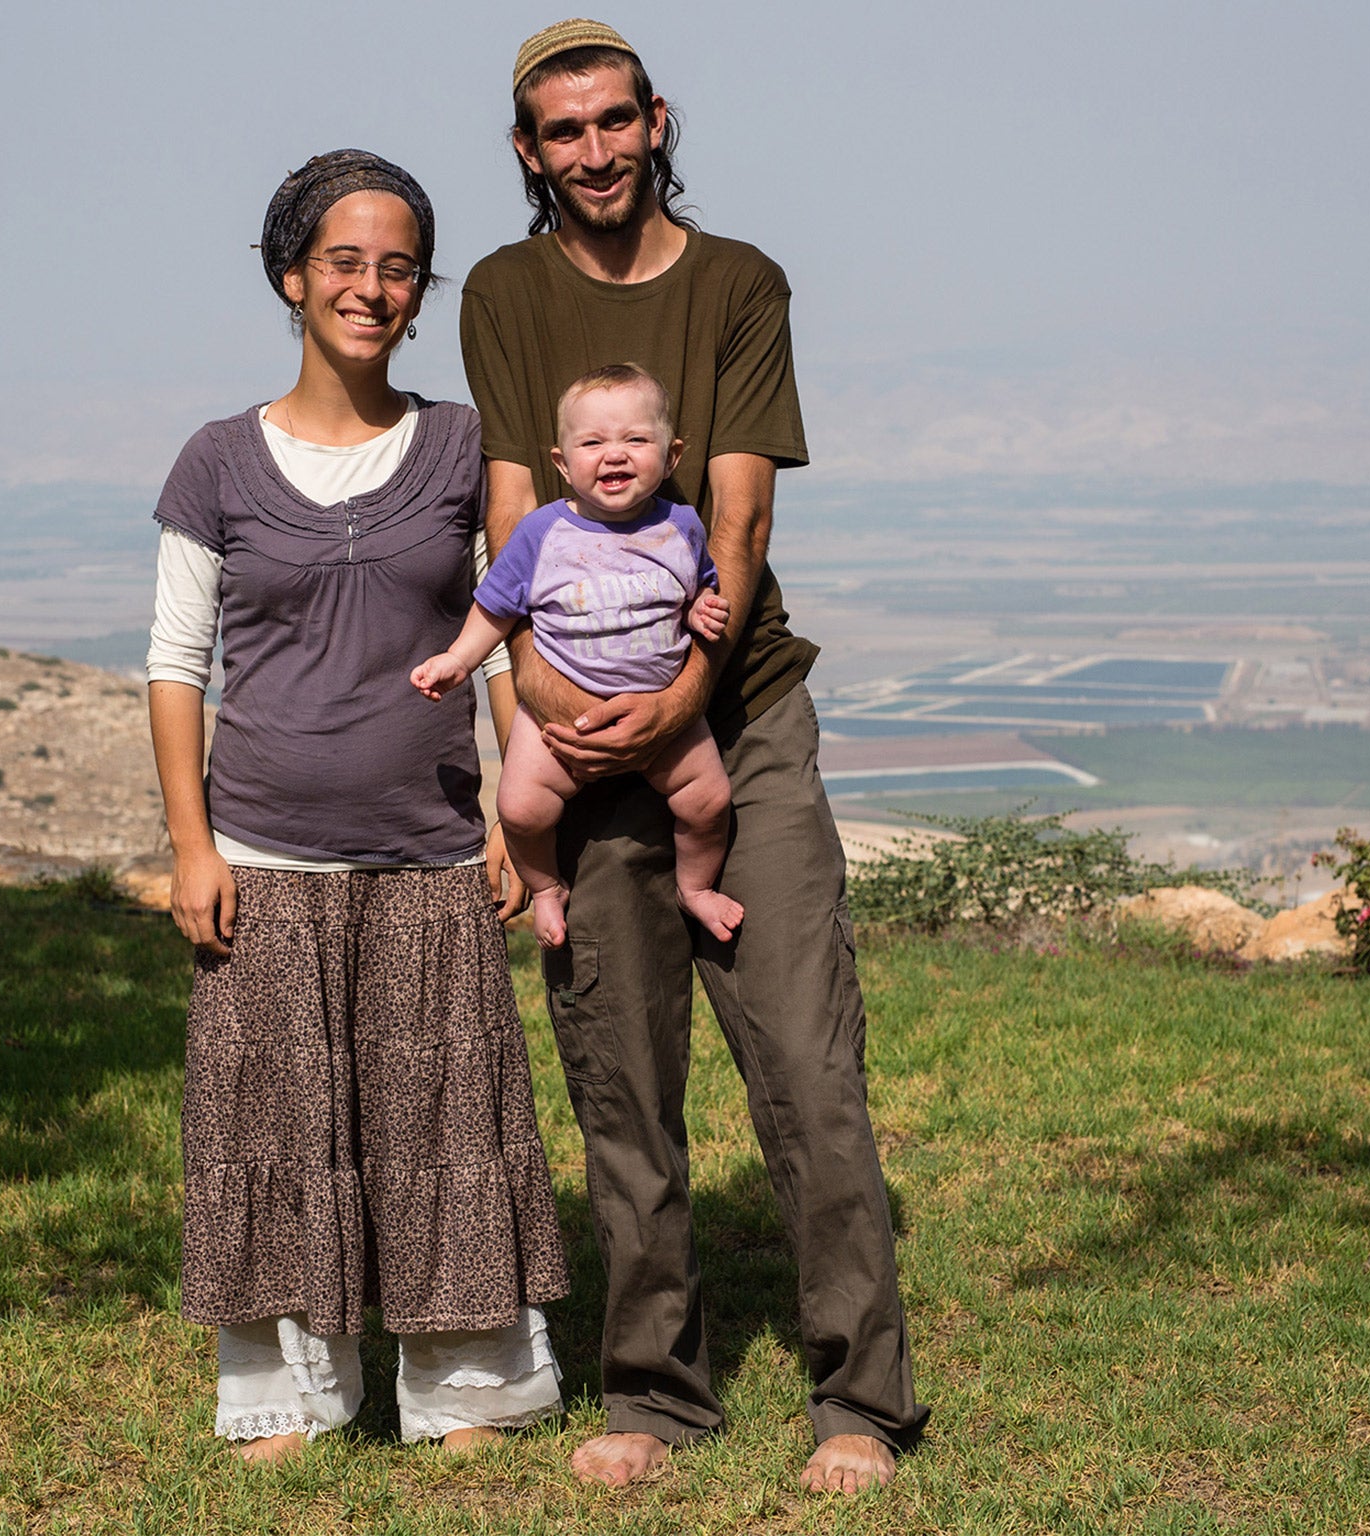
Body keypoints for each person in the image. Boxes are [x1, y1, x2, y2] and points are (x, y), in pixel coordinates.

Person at [459, 21, 928, 1494]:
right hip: (575, 726)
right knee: (622, 1063)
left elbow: (739, 517)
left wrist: (685, 696)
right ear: (527, 153)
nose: (593, 151)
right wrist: (529, 706)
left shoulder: (740, 283)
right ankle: (654, 1387)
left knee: (802, 1053)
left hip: (738, 713)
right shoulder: (502, 292)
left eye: (614, 121)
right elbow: (508, 511)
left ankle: (860, 1396)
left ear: (658, 122)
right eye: (562, 131)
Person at [145, 149, 568, 1464]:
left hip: (433, 847)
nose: (370, 287)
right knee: (275, 1126)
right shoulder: (217, 461)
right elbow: (175, 663)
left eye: (397, 266)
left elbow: (499, 636)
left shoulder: (461, 448)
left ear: (419, 289)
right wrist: (192, 848)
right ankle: (289, 1402)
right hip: (263, 854)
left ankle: (466, 1394)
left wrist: (514, 812)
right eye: (343, 261)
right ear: (291, 275)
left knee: (442, 1120)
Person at [409, 363, 741, 948]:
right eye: (593, 442)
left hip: (663, 712)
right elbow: (497, 607)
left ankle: (695, 888)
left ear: (673, 456)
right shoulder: (542, 534)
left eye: (636, 439)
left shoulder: (682, 526)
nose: (614, 454)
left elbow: (697, 590)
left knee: (710, 801)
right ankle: (545, 888)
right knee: (519, 808)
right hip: (560, 716)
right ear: (562, 462)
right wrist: (458, 660)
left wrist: (699, 613)